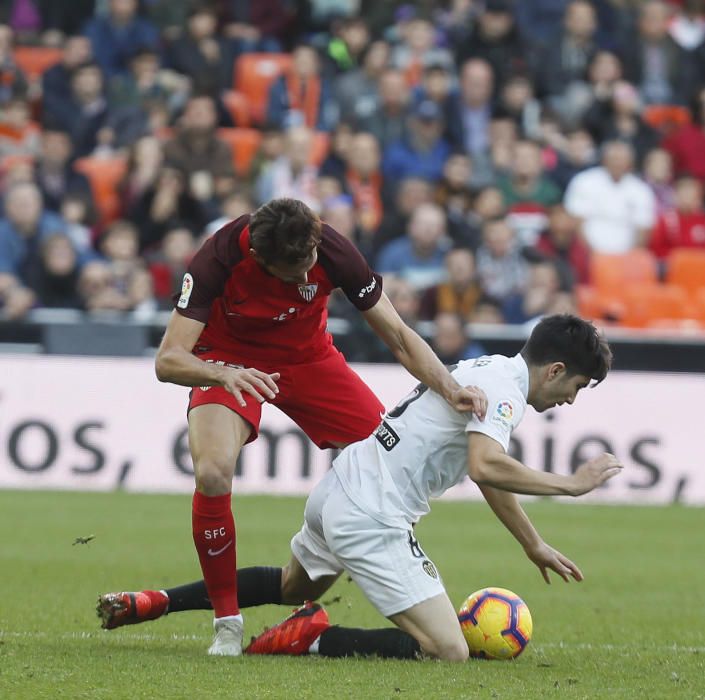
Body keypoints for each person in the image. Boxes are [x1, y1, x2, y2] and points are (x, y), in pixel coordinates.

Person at [98, 314, 620, 661]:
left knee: (292, 586)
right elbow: (486, 466)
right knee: (449, 650)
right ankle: (315, 638)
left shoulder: (490, 370)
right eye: (575, 387)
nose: (571, 401)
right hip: (374, 514)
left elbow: (484, 466)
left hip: (344, 484)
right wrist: (571, 485)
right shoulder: (505, 391)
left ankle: (155, 601)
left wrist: (531, 542)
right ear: (555, 370)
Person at [97, 197, 487, 657]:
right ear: (258, 258)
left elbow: (399, 335)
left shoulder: (336, 250)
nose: (306, 279)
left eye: (309, 265)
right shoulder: (217, 257)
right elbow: (168, 359)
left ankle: (356, 588)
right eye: (292, 273)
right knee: (214, 472)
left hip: (308, 359)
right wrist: (223, 373)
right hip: (228, 359)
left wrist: (447, 386)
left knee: (389, 463)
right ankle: (227, 624)